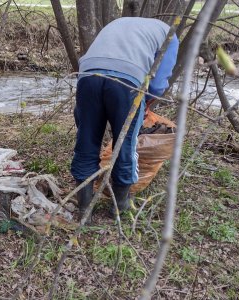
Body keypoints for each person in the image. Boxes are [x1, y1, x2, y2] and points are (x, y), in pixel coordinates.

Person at [71, 17, 179, 220]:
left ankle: (84, 208)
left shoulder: (117, 23)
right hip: (127, 82)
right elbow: (157, 86)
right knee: (125, 143)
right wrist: (144, 104)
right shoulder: (170, 35)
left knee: (86, 141)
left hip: (88, 75)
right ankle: (120, 205)